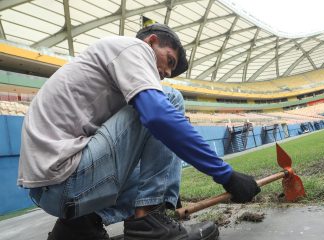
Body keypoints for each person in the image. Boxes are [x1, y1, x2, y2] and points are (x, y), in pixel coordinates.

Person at [18, 23, 260, 240]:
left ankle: (77, 228)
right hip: (65, 178)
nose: (165, 73)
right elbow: (158, 116)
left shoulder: (112, 69)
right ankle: (149, 223)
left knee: (152, 132)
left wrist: (166, 189)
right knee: (169, 99)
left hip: (51, 190)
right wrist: (225, 175)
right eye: (169, 61)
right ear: (151, 41)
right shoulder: (133, 48)